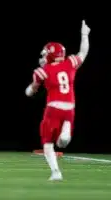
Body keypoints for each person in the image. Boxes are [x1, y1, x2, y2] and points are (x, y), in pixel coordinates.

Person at [25, 20, 90, 181]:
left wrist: (32, 87)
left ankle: (56, 172)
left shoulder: (44, 70)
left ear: (51, 54)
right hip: (70, 107)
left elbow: (30, 91)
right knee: (62, 140)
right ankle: (66, 130)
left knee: (47, 142)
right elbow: (83, 53)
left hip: (53, 107)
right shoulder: (69, 64)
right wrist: (84, 35)